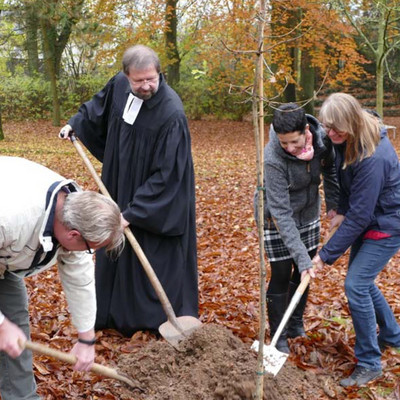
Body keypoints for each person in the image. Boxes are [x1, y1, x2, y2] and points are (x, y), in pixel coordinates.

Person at [58, 44, 198, 337]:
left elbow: (169, 175)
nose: (146, 86)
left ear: (159, 73)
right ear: (126, 76)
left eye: (152, 79)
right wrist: (77, 123)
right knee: (114, 251)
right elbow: (99, 105)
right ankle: (111, 312)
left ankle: (145, 319)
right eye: (139, 81)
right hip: (118, 184)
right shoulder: (120, 86)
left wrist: (134, 212)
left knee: (147, 251)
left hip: (149, 203)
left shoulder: (171, 114)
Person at [0, 155, 125, 400]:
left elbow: (80, 277)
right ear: (73, 235)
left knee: (15, 322)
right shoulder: (11, 217)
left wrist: (86, 339)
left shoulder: (72, 211)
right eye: (91, 248)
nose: (88, 254)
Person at [311, 93, 400, 387]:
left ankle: (369, 363)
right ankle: (392, 335)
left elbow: (361, 217)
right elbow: (346, 177)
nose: (330, 133)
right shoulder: (348, 141)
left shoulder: (374, 156)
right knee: (360, 281)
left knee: (356, 285)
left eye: (336, 128)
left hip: (386, 224)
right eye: (327, 126)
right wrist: (340, 210)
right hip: (370, 218)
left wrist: (324, 256)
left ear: (352, 121)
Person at [255, 103, 339, 353]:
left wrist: (334, 205)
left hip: (309, 212)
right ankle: (278, 335)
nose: (290, 148)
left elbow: (330, 171)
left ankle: (295, 323)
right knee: (282, 273)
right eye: (284, 143)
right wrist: (303, 259)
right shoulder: (272, 158)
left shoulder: (322, 141)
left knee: (301, 274)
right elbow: (280, 211)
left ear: (305, 130)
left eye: (294, 141)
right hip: (277, 218)